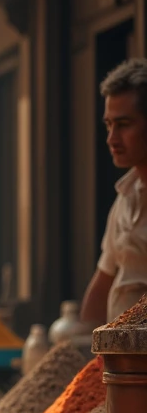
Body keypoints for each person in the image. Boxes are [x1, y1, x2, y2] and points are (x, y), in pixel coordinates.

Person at [81, 58, 147, 325]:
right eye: (109, 125)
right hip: (120, 361)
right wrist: (84, 345)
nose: (111, 139)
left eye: (123, 124)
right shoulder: (125, 197)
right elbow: (103, 281)